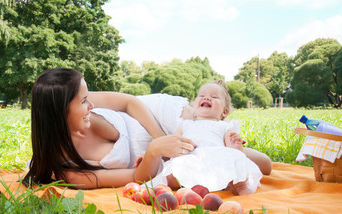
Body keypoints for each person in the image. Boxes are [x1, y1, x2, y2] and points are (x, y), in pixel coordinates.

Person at [25, 68, 195, 189]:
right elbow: (136, 177)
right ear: (60, 112)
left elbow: (129, 102)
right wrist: (154, 152)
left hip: (149, 116)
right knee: (199, 164)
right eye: (84, 101)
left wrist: (159, 137)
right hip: (151, 159)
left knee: (199, 122)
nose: (91, 104)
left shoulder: (76, 97)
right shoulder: (65, 171)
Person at [158, 81, 263, 195]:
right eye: (202, 96)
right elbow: (172, 143)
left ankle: (242, 188)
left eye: (214, 97)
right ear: (194, 106)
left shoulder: (225, 126)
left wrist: (235, 144)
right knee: (171, 173)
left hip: (217, 161)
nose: (207, 98)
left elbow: (231, 148)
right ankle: (176, 185)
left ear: (224, 111)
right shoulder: (185, 124)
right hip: (190, 159)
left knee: (236, 158)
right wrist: (159, 153)